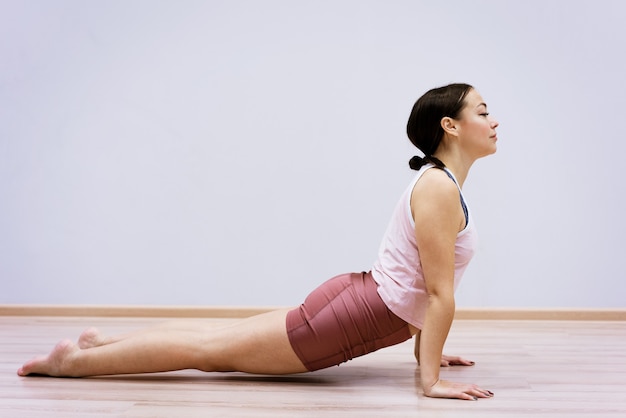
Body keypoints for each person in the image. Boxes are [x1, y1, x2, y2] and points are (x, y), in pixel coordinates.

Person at [17, 83, 499, 401]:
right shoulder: (438, 188)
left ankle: (103, 342)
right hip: (354, 316)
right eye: (483, 111)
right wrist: (431, 380)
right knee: (207, 353)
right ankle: (73, 365)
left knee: (214, 342)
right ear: (449, 126)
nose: (494, 120)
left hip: (356, 302)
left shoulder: (441, 184)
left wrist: (427, 352)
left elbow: (419, 286)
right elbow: (437, 294)